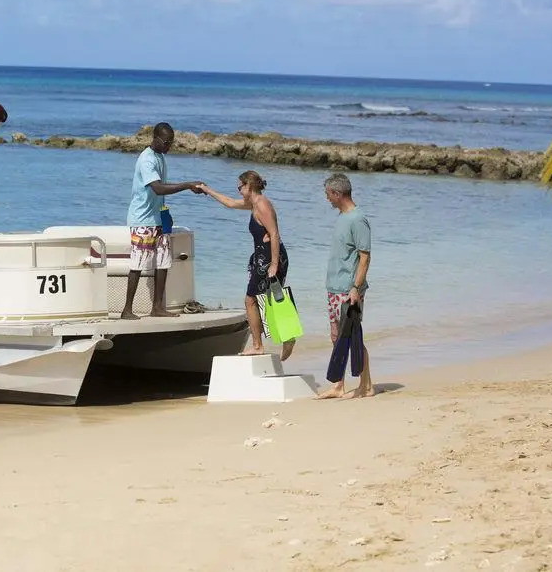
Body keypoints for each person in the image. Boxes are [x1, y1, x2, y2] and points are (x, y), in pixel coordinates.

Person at [200, 171, 296, 361]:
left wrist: (274, 264)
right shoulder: (253, 204)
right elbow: (229, 203)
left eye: (240, 187)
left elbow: (274, 234)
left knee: (251, 300)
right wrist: (207, 190)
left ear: (249, 186)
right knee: (267, 299)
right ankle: (287, 337)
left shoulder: (262, 205)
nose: (238, 191)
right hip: (262, 257)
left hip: (269, 258)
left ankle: (259, 345)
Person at [121, 122, 204, 320]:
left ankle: (157, 307)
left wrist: (165, 213)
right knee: (138, 264)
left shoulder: (160, 157)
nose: (169, 146)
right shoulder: (147, 160)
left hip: (158, 217)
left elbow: (160, 194)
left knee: (163, 262)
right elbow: (158, 188)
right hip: (142, 220)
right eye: (166, 142)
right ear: (155, 139)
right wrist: (187, 185)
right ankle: (127, 310)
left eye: (171, 143)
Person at [317, 173, 375, 399]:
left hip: (349, 290)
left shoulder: (358, 219)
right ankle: (338, 385)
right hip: (334, 287)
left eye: (328, 194)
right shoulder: (343, 216)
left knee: (353, 337)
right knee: (336, 336)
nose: (327, 198)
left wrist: (355, 288)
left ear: (337, 193)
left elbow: (365, 257)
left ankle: (366, 385)